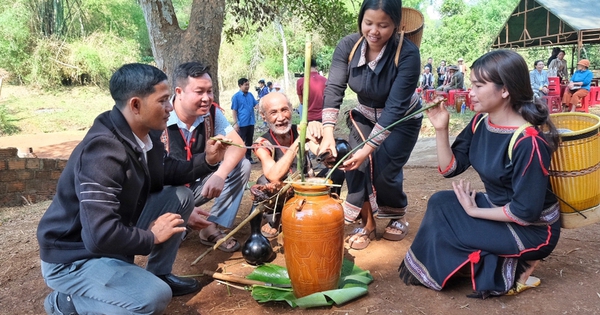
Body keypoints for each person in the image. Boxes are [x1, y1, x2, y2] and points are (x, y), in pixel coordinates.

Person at [37, 63, 229, 314]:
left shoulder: (142, 136)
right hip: (73, 256)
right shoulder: (103, 152)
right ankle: (65, 303)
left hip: (102, 241)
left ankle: (159, 273)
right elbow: (99, 235)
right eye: (163, 100)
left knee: (179, 197)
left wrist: (208, 160)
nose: (170, 107)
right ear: (136, 105)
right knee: (152, 298)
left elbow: (166, 172)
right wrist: (151, 237)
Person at [399, 49, 561, 299]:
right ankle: (479, 259)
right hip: (499, 209)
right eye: (471, 84)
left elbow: (525, 212)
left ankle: (519, 264)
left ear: (504, 89)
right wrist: (441, 128)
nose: (470, 92)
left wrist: (474, 211)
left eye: (478, 85)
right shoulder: (480, 122)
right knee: (440, 203)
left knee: (457, 224)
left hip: (534, 230)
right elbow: (450, 168)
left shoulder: (528, 142)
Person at [319, 0, 423, 250]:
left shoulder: (408, 54)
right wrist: (327, 131)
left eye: (383, 25)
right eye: (368, 23)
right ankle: (367, 224)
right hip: (365, 114)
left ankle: (397, 215)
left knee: (386, 170)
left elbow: (395, 107)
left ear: (397, 25)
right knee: (356, 167)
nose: (374, 31)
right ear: (361, 21)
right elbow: (334, 88)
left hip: (401, 119)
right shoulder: (348, 46)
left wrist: (368, 148)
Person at [165, 62, 251, 252]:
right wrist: (181, 210)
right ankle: (179, 221)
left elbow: (238, 146)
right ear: (179, 92)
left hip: (197, 186)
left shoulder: (211, 113)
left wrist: (220, 174)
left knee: (241, 166)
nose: (207, 98)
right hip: (168, 193)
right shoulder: (161, 115)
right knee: (168, 238)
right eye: (199, 92)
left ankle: (211, 225)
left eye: (210, 91)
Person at [253, 92, 345, 238]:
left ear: (291, 109)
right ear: (264, 116)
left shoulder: (301, 130)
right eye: (273, 112)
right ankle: (277, 217)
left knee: (336, 172)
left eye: (284, 110)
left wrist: (322, 140)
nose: (281, 117)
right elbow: (273, 174)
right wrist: (298, 143)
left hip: (308, 191)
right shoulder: (262, 143)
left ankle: (326, 211)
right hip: (284, 194)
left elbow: (320, 153)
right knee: (264, 182)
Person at [232, 77, 259, 163]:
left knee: (249, 141)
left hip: (251, 122)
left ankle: (249, 158)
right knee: (241, 142)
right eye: (245, 85)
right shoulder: (236, 97)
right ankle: (239, 159)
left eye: (248, 84)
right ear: (240, 85)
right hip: (242, 123)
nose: (247, 86)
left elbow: (256, 104)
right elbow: (234, 110)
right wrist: (236, 123)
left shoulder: (250, 95)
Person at [296, 58, 328, 122]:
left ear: (305, 68)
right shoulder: (325, 80)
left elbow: (301, 102)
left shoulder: (300, 81)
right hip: (323, 116)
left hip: (307, 117)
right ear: (316, 67)